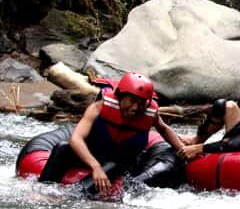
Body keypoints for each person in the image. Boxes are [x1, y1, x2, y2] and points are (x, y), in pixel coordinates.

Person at [38, 72, 186, 195]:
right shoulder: (99, 107)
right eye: (132, 100)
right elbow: (76, 139)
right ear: (120, 96)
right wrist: (95, 167)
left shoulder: (150, 113)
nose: (136, 107)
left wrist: (183, 150)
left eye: (141, 102)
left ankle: (75, 195)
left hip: (120, 161)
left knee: (115, 164)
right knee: (62, 147)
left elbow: (163, 129)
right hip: (94, 154)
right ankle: (42, 191)